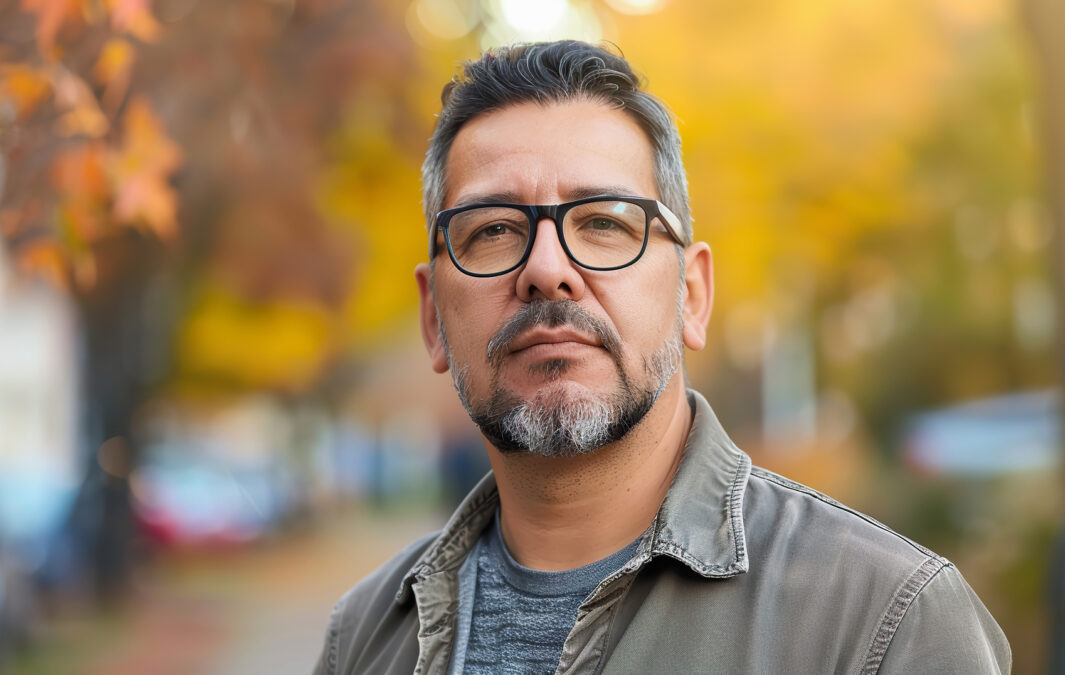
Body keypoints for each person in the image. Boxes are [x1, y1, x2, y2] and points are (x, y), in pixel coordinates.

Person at [314, 40, 1010, 674]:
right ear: (433, 316)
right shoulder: (365, 636)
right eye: (493, 229)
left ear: (692, 296)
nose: (548, 269)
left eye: (605, 222)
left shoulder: (884, 624)